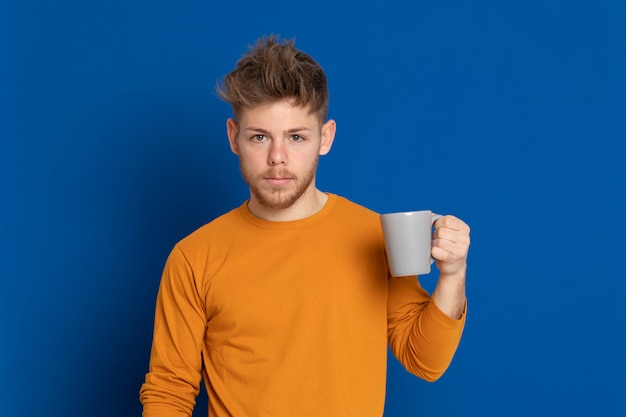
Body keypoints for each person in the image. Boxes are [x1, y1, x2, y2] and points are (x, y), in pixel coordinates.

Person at [140, 35, 470, 417]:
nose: (277, 158)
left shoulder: (374, 237)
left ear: (325, 138)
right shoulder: (194, 257)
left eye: (296, 137)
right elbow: (169, 392)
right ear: (234, 137)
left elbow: (424, 360)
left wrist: (453, 274)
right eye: (259, 137)